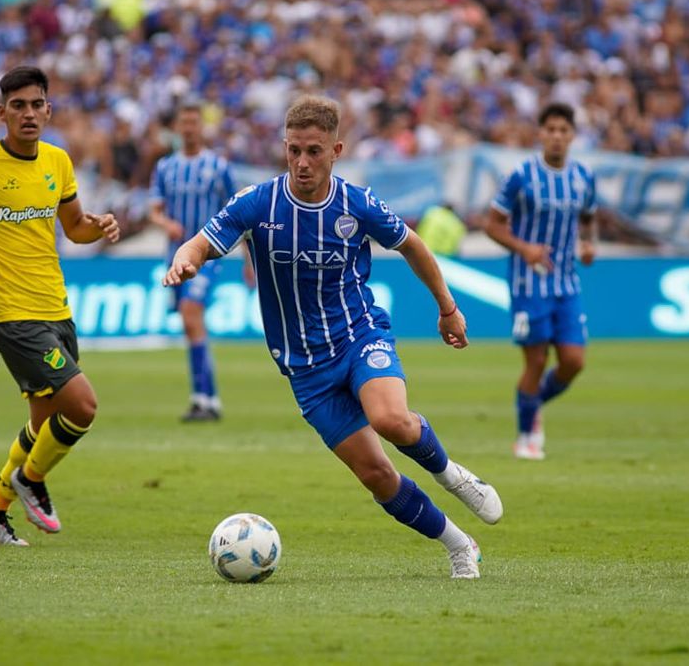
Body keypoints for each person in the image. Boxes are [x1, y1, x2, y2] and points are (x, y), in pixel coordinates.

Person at [164, 95, 503, 579]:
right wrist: (187, 259)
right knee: (378, 476)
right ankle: (458, 543)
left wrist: (447, 309)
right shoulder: (257, 203)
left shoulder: (356, 204)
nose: (302, 162)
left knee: (391, 421)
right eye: (294, 150)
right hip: (305, 368)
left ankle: (452, 475)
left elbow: (414, 246)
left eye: (314, 151)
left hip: (359, 335)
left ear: (336, 149)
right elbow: (201, 241)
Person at [0, 66, 121, 546]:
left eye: (36, 105)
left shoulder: (58, 162)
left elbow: (74, 228)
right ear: (1, 113)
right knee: (83, 405)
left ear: (48, 110)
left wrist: (102, 226)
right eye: (18, 106)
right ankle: (29, 480)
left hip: (56, 307)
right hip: (10, 313)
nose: (28, 114)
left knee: (43, 423)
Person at [483, 103, 597, 461]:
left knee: (574, 361)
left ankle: (531, 404)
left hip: (567, 283)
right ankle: (526, 436)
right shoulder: (521, 175)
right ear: (541, 134)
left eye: (564, 130)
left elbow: (589, 217)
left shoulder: (583, 177)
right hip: (528, 284)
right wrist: (525, 248)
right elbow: (492, 225)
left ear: (572, 135)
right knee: (535, 361)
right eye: (551, 130)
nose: (557, 137)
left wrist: (588, 243)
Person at [148, 102, 244, 421]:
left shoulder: (218, 167)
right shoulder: (165, 167)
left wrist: (249, 261)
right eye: (184, 123)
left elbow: (240, 213)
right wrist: (166, 225)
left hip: (207, 256)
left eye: (193, 122)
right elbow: (155, 210)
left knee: (191, 313)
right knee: (191, 325)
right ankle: (206, 398)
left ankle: (205, 399)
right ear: (177, 128)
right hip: (175, 255)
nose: (189, 128)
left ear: (201, 127)